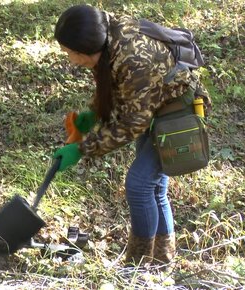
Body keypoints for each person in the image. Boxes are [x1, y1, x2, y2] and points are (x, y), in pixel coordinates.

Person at [52, 4, 211, 266]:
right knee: (154, 187)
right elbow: (118, 85)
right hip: (155, 108)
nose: (71, 60)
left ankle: (137, 266)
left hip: (176, 113)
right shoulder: (108, 37)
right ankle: (161, 260)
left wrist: (81, 149)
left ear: (87, 50)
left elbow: (131, 124)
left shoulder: (134, 58)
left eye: (71, 53)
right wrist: (92, 114)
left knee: (139, 185)